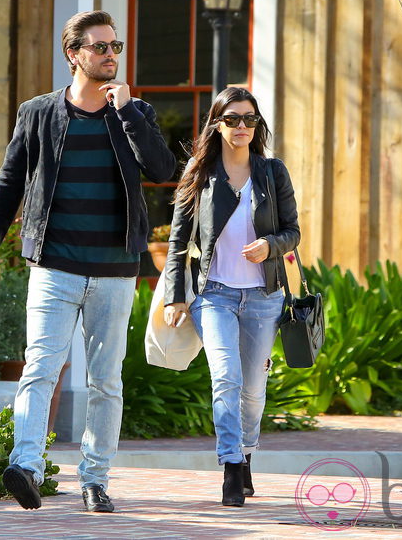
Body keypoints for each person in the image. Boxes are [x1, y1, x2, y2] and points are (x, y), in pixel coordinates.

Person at [0, 10, 175, 513]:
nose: (111, 54)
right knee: (40, 366)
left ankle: (95, 479)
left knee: (105, 379)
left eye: (115, 46)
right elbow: (9, 182)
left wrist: (128, 114)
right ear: (73, 55)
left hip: (114, 270)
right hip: (54, 265)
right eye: (100, 46)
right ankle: (27, 466)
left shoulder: (134, 114)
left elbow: (164, 169)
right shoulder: (38, 113)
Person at [161, 86, 299, 507]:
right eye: (233, 118)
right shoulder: (199, 174)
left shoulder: (273, 172)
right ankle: (230, 467)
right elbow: (178, 240)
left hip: (263, 296)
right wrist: (174, 295)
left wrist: (270, 246)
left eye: (250, 119)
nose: (242, 126)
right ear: (217, 124)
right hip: (214, 294)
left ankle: (246, 454)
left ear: (257, 126)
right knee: (226, 378)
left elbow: (293, 231)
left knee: (254, 389)